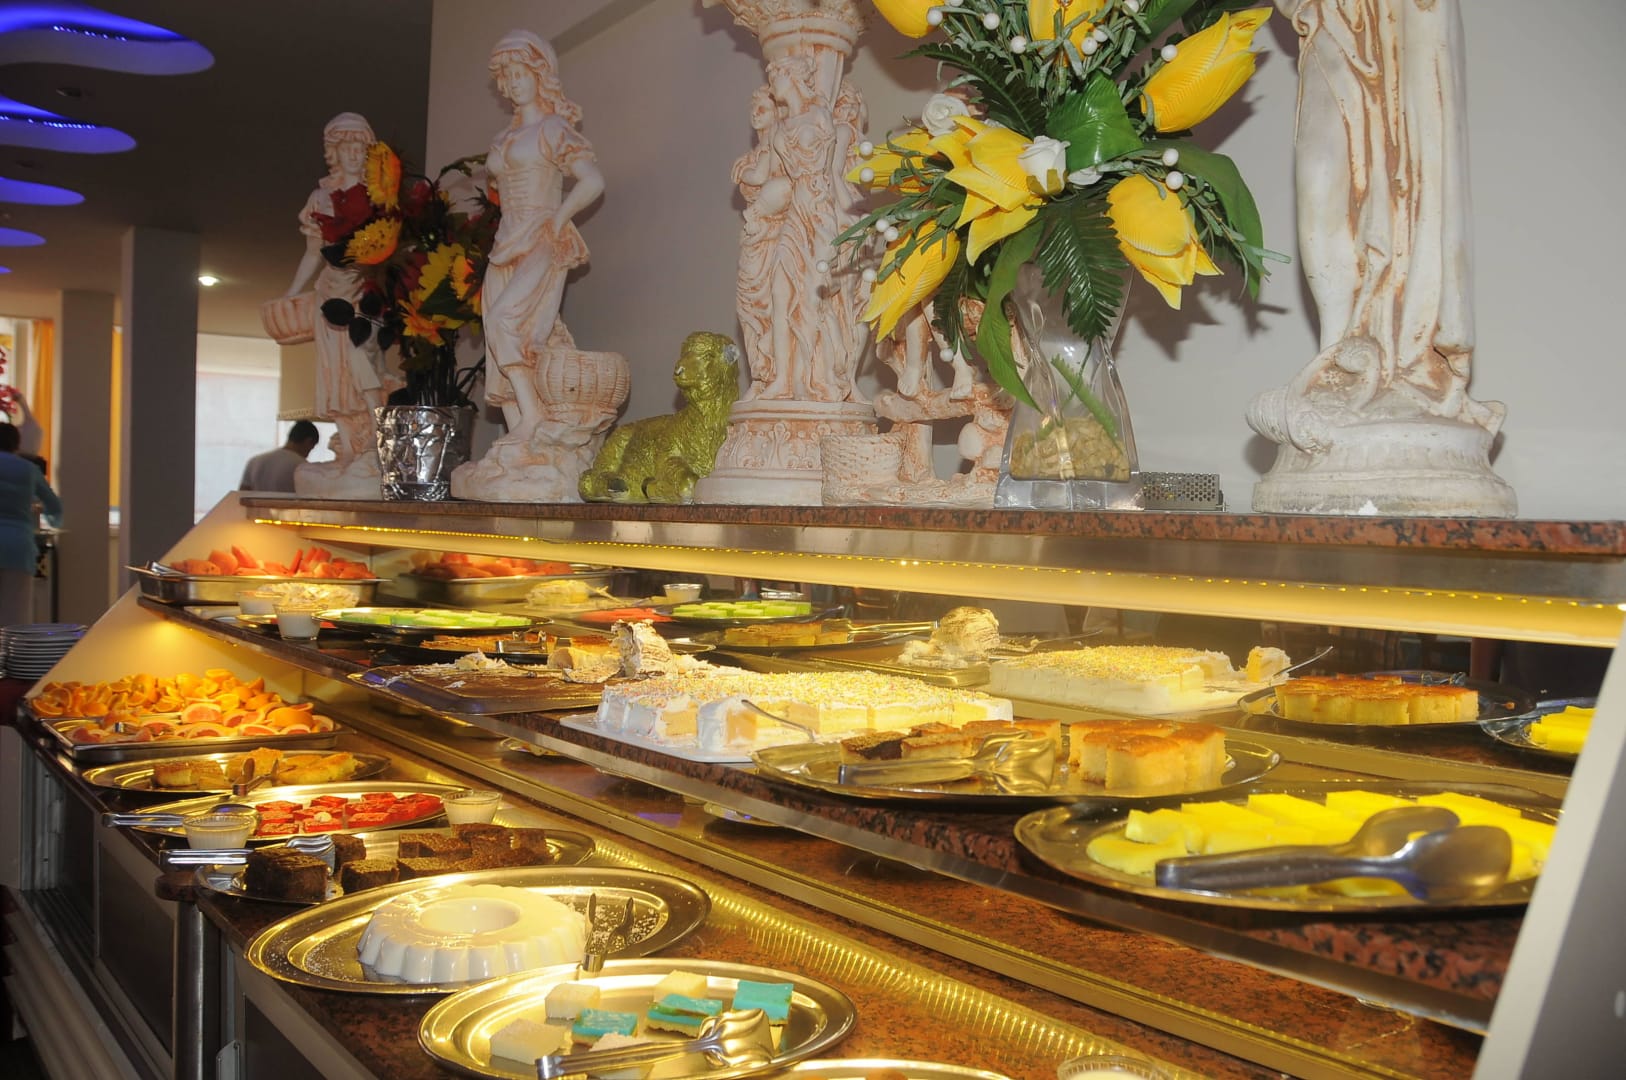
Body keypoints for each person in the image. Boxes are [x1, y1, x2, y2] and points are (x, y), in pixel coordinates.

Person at [480, 30, 604, 447]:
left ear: (539, 75)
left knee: (504, 321)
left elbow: (592, 182)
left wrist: (560, 218)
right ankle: (520, 434)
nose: (514, 83)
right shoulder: (503, 138)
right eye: (508, 76)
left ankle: (532, 415)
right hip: (505, 242)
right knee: (497, 332)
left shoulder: (553, 129)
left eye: (521, 73)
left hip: (541, 237)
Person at [285, 112, 396, 468]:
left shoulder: (380, 198)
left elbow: (389, 252)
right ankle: (350, 448)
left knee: (362, 361)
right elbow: (313, 253)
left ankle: (375, 443)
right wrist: (292, 291)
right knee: (336, 374)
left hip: (365, 294)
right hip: (331, 297)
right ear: (334, 152)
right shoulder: (321, 197)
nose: (353, 154)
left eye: (359, 148)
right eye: (346, 147)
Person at [0, 420, 61, 627]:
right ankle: (13, 647)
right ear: (17, 444)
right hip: (19, 547)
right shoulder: (29, 469)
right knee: (16, 614)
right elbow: (54, 506)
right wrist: (53, 522)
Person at [239, 421, 320, 492]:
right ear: (308, 441)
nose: (308, 454)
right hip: (288, 505)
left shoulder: (254, 461)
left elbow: (241, 495)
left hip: (257, 506)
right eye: (312, 448)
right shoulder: (304, 467)